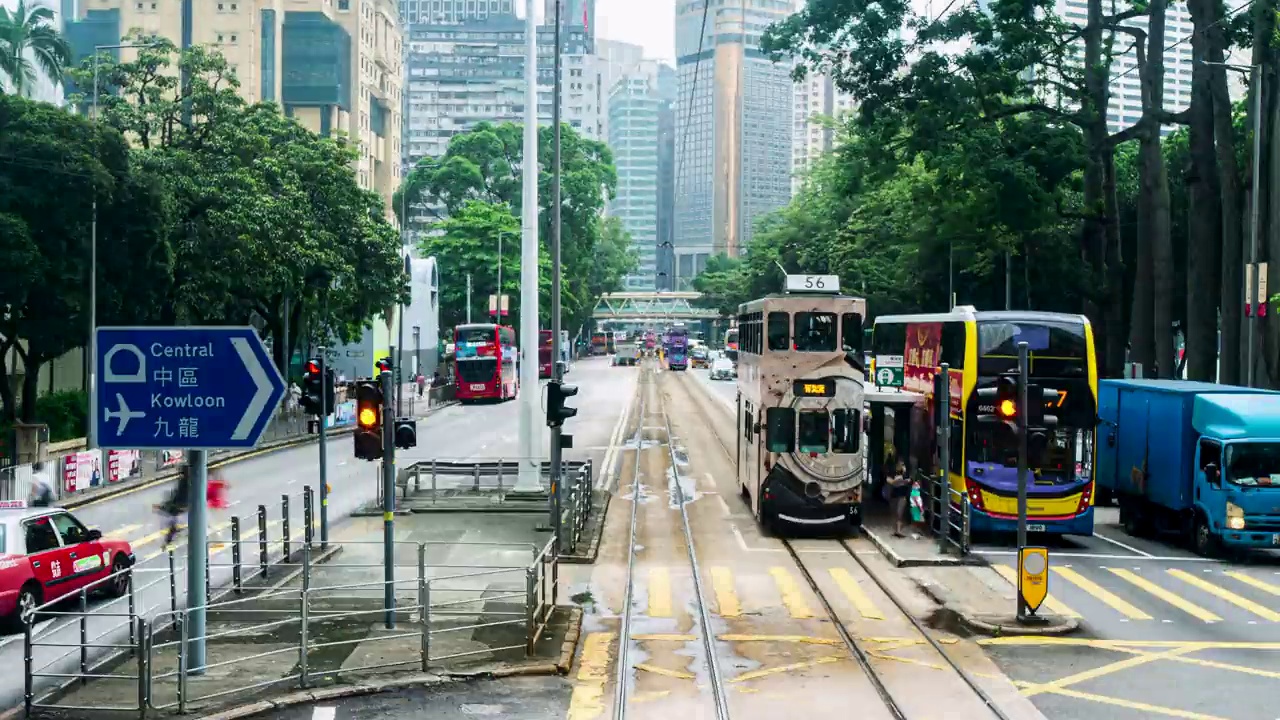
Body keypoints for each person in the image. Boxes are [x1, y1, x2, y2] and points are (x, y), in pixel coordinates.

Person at [885, 461, 912, 537]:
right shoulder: (893, 474)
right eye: (901, 465)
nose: (903, 467)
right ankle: (896, 530)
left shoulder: (906, 475)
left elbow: (909, 481)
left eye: (903, 465)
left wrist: (901, 481)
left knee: (899, 513)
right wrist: (900, 481)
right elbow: (890, 481)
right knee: (894, 514)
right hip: (894, 497)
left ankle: (898, 530)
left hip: (902, 497)